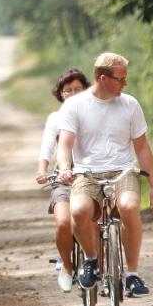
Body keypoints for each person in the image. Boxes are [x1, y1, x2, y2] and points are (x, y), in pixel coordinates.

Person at [55, 53, 153, 297]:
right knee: (78, 211)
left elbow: (142, 147)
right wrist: (65, 168)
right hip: (87, 172)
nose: (124, 84)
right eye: (120, 79)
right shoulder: (75, 105)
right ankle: (92, 259)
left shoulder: (130, 105)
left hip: (122, 169)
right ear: (103, 79)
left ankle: (132, 274)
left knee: (128, 206)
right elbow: (65, 144)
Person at [36, 68, 92, 292]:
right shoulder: (56, 118)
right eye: (68, 90)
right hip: (64, 177)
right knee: (63, 223)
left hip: (91, 176)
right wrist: (42, 169)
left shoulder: (94, 113)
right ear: (60, 94)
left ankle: (101, 267)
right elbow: (48, 146)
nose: (73, 93)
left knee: (96, 223)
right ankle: (67, 267)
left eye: (78, 89)